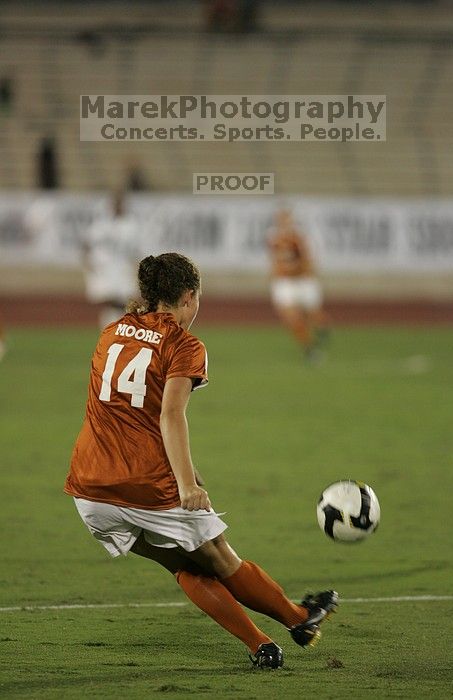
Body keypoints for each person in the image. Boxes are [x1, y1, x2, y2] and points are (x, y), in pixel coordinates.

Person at [64, 252, 338, 669]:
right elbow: (169, 413)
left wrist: (184, 467)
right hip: (146, 487)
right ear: (189, 297)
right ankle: (299, 619)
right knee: (219, 558)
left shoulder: (111, 332)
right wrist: (187, 486)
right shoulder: (184, 344)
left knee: (181, 563)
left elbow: (127, 412)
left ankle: (262, 644)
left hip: (88, 488)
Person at [268, 209, 329, 361]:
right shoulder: (273, 238)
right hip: (284, 283)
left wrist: (295, 269)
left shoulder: (301, 238)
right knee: (291, 317)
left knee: (315, 316)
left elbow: (310, 262)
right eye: (280, 220)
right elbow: (275, 262)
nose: (283, 224)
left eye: (286, 220)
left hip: (303, 281)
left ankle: (322, 329)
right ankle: (310, 349)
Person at [81, 189, 141, 328]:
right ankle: (112, 329)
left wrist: (137, 268)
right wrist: (88, 262)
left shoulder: (130, 225)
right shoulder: (102, 224)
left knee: (124, 302)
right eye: (116, 203)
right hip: (105, 268)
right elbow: (87, 244)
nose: (118, 206)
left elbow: (136, 251)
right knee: (111, 299)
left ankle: (113, 328)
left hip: (122, 269)